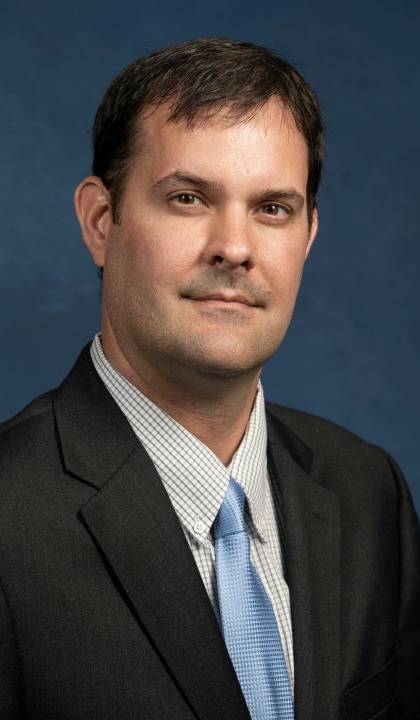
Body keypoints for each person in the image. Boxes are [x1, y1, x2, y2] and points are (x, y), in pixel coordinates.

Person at [0, 37, 419, 720]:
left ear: (308, 236)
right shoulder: (8, 515)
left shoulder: (368, 494)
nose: (235, 247)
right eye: (190, 197)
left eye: (272, 208)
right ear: (101, 221)